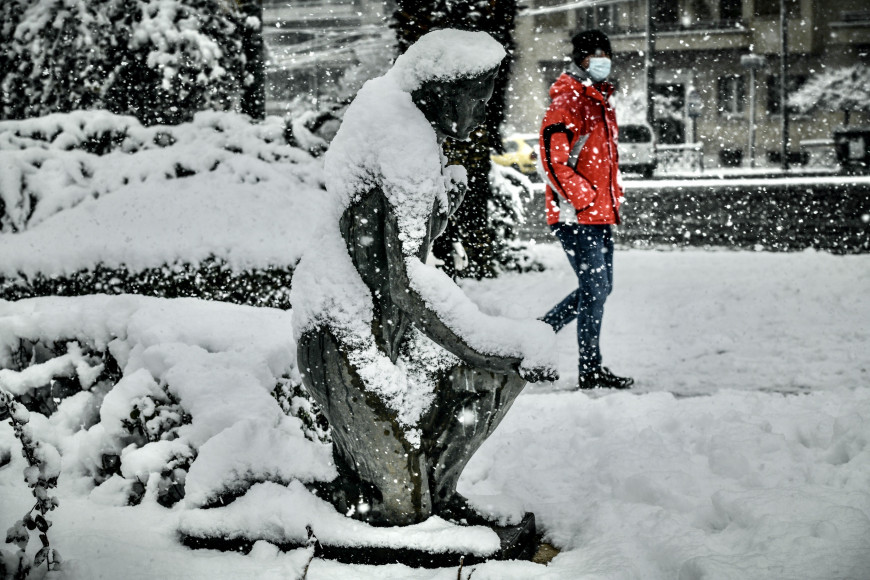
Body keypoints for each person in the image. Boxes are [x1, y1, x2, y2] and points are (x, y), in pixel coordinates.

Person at [292, 30, 557, 527]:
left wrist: (441, 203)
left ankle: (437, 496)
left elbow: (384, 239)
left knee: (482, 383)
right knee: (400, 506)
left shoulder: (392, 110)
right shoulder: (404, 137)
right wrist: (495, 344)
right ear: (441, 89)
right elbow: (407, 283)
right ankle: (412, 515)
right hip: (346, 335)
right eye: (474, 101)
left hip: (382, 329)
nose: (479, 117)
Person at [538, 29, 634, 390]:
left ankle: (536, 337)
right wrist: (583, 199)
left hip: (597, 214)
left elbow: (603, 161)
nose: (602, 61)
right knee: (595, 288)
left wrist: (605, 201)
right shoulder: (569, 99)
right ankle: (589, 370)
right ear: (579, 60)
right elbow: (552, 158)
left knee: (599, 289)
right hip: (576, 215)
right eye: (594, 55)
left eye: (606, 54)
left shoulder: (599, 101)